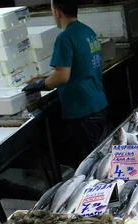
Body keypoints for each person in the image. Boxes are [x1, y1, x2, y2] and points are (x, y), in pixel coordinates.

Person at [24, 0, 108, 161]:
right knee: (100, 158)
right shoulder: (87, 31)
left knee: (90, 164)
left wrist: (40, 85)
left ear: (57, 12)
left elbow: (62, 76)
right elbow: (81, 66)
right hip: (98, 103)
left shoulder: (65, 37)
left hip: (82, 110)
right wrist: (46, 77)